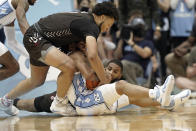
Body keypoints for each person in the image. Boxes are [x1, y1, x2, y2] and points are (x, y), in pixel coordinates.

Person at [0, 2, 119, 116]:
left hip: (39, 38)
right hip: (37, 38)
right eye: (109, 24)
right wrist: (103, 79)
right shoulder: (91, 25)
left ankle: (5, 100)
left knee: (37, 81)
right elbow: (93, 55)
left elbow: (88, 53)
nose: (108, 29)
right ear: (102, 17)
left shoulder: (84, 18)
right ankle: (59, 103)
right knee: (69, 66)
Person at [12, 57, 191, 116]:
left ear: (120, 73)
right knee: (33, 104)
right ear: (103, 67)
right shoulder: (93, 72)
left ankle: (168, 102)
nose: (111, 73)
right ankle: (11, 102)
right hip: (75, 103)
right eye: (109, 69)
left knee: (131, 96)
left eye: (115, 71)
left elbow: (130, 93)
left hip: (98, 104)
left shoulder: (116, 83)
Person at [0, 0, 37, 80]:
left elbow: (12, 42)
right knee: (13, 67)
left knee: (13, 67)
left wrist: (33, 56)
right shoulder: (23, 2)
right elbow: (22, 22)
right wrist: (38, 45)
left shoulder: (10, 11)